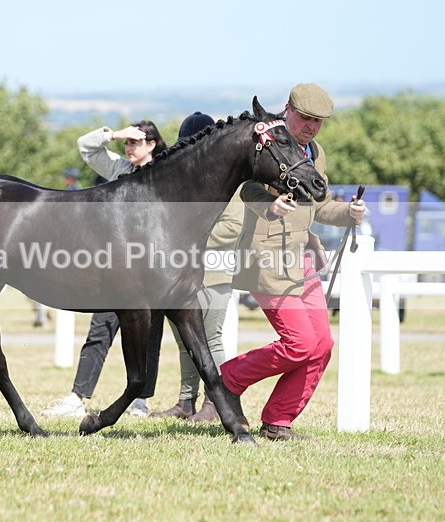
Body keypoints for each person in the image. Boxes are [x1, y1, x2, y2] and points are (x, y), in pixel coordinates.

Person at [219, 83, 367, 441]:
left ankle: (278, 420)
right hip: (267, 258)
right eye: (305, 118)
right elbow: (246, 187)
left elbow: (320, 204)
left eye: (318, 121)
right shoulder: (266, 141)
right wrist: (268, 204)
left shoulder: (315, 152)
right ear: (288, 109)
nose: (311, 127)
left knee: (321, 345)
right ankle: (227, 380)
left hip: (301, 259)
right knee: (299, 343)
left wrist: (348, 212)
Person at [42, 120, 168, 418]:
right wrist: (114, 135)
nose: (129, 148)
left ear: (152, 144)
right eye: (127, 143)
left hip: (152, 274)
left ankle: (140, 400)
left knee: (149, 339)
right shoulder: (119, 169)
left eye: (135, 142)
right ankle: (76, 397)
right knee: (99, 332)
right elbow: (85, 147)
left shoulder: (166, 174)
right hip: (116, 273)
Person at [149, 112, 243, 422]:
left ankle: (215, 403)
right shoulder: (187, 184)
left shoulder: (230, 181)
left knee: (211, 339)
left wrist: (186, 238)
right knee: (185, 340)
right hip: (184, 273)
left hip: (215, 270)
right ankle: (185, 401)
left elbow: (232, 227)